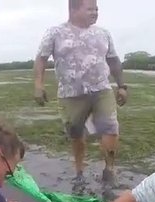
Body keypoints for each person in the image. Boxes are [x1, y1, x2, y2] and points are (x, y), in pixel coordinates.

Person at [33, 0, 128, 185]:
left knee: (110, 128)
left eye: (97, 9)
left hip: (101, 90)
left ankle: (109, 170)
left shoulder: (103, 33)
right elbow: (41, 59)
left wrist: (122, 86)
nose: (95, 13)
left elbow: (114, 60)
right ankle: (79, 171)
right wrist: (38, 85)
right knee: (76, 134)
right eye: (90, 9)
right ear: (74, 9)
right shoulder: (55, 32)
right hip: (71, 94)